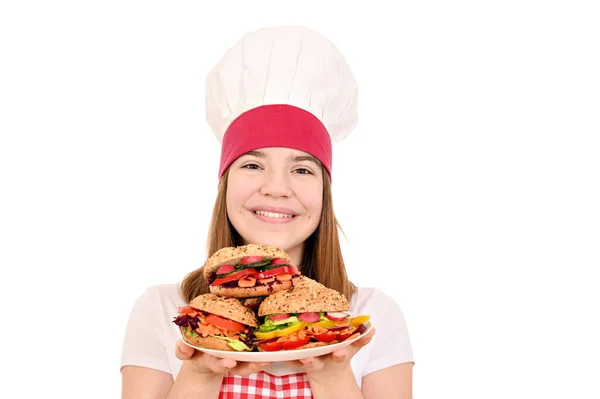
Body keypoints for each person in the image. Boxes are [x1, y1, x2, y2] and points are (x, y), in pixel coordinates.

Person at [120, 25, 414, 399]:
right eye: (253, 165)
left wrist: (331, 373)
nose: (276, 187)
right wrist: (199, 375)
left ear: (325, 192)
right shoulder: (162, 309)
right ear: (225, 183)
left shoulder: (372, 317)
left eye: (302, 169)